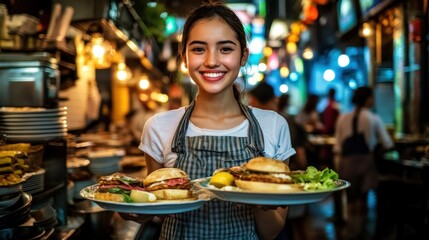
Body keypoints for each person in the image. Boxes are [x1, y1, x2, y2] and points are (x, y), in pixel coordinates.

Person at [121, 1, 295, 239]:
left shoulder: (273, 126)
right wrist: (139, 210)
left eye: (225, 49)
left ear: (243, 55)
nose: (212, 61)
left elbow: (271, 232)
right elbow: (157, 205)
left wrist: (257, 197)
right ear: (184, 58)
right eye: (199, 49)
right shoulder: (159, 127)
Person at [334, 86, 394, 237]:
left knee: (350, 197)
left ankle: (350, 230)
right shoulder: (373, 118)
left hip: (346, 162)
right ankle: (360, 231)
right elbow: (387, 143)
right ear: (367, 99)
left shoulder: (342, 117)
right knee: (362, 197)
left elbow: (338, 145)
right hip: (366, 162)